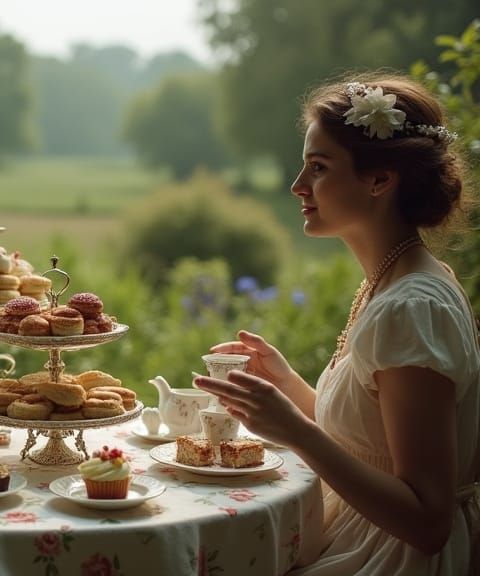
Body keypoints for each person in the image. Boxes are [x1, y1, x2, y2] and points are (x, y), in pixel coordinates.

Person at [193, 73, 478, 575]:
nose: (297, 186)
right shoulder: (393, 282)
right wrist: (286, 384)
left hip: (393, 558)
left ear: (379, 180)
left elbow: (428, 522)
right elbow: (371, 444)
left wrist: (298, 432)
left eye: (318, 168)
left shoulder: (411, 308)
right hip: (365, 536)